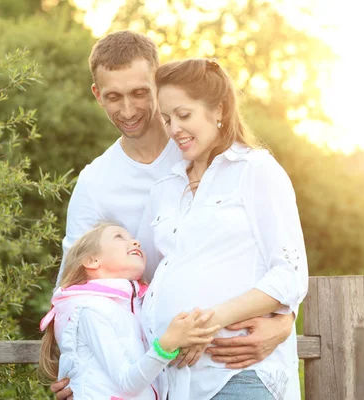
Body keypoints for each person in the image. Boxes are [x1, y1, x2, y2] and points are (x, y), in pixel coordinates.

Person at [51, 31, 297, 399]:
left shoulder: (219, 158)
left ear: (158, 83)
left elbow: (280, 260)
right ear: (97, 95)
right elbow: (76, 286)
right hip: (163, 377)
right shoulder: (112, 183)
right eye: (114, 96)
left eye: (139, 93)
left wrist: (285, 319)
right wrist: (82, 367)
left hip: (230, 368)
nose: (129, 110)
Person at [136, 59, 308, 399]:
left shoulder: (256, 170)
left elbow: (290, 274)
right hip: (174, 385)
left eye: (184, 115)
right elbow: (143, 280)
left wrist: (205, 325)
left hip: (237, 376)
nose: (174, 129)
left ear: (218, 109)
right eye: (167, 119)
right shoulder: (164, 190)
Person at [40, 222, 221, 399]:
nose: (136, 242)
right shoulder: (91, 311)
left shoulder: (137, 307)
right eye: (119, 237)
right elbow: (127, 382)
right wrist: (167, 345)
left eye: (133, 239)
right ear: (92, 260)